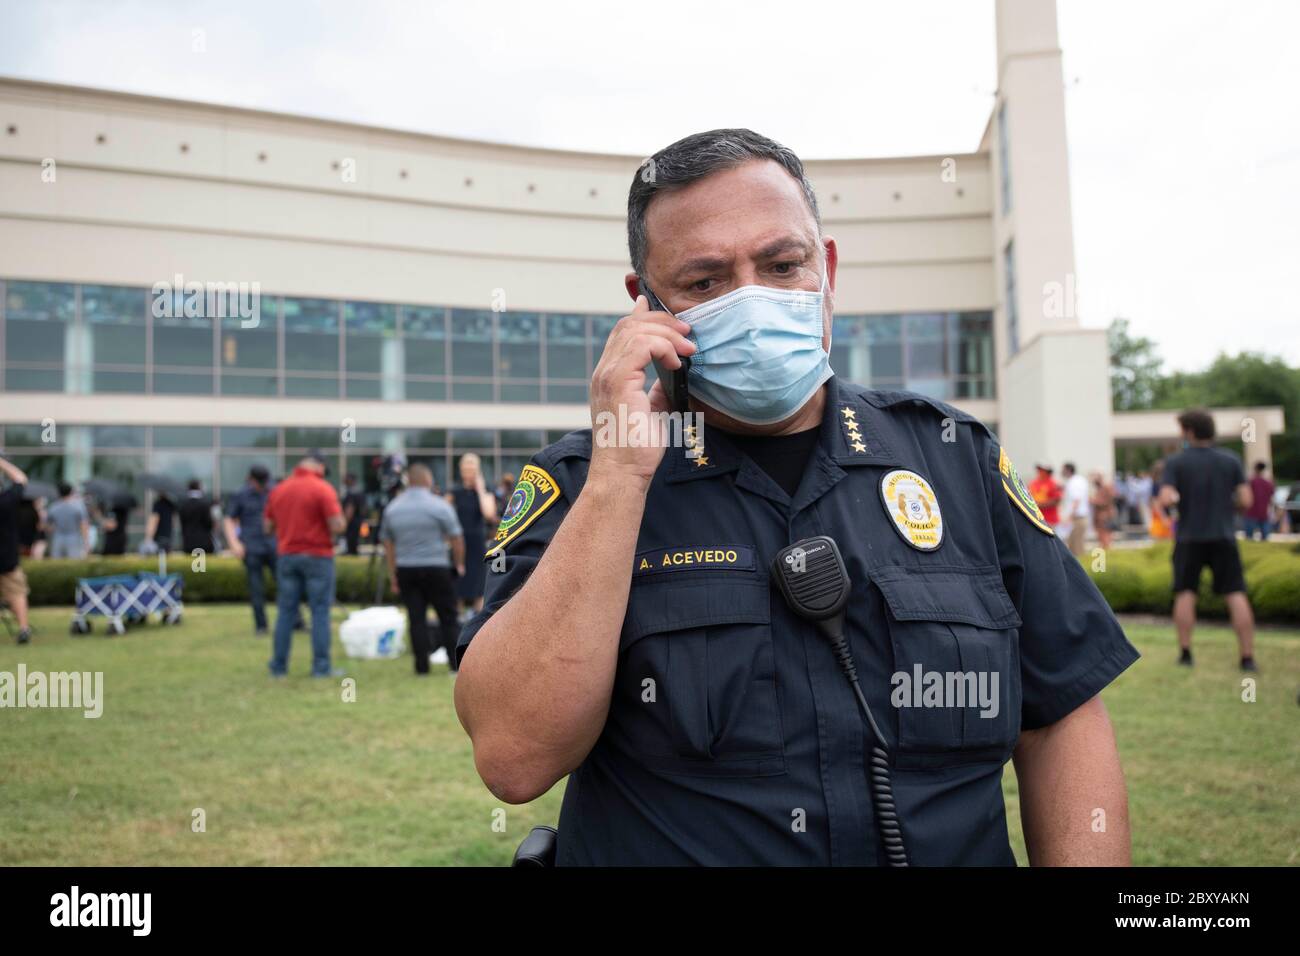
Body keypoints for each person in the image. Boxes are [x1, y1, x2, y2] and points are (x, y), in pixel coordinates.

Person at [453, 129, 1139, 866]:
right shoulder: (582, 482)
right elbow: (515, 755)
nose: (754, 300)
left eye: (783, 265)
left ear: (827, 268)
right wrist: (619, 479)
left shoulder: (954, 458)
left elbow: (1059, 715)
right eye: (705, 282)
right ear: (643, 304)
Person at [1158, 410, 1257, 671]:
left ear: (1189, 431)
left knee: (1185, 592)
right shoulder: (1231, 460)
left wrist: (1176, 501)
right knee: (1235, 593)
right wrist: (1227, 508)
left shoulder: (1176, 462)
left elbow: (1166, 498)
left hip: (1189, 537)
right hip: (1224, 535)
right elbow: (1246, 500)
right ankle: (1247, 658)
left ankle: (1186, 653)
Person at [264, 452, 345, 678]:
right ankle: (321, 667)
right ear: (319, 466)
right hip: (318, 556)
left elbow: (268, 527)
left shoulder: (279, 489)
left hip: (287, 556)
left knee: (286, 612)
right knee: (319, 611)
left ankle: (278, 667)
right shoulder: (322, 488)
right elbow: (337, 524)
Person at [381, 464, 466, 675]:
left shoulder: (393, 508)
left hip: (407, 568)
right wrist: (459, 563)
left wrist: (393, 574)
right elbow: (456, 538)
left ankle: (421, 667)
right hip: (437, 567)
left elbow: (388, 545)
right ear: (428, 481)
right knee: (448, 617)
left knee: (416, 618)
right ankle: (454, 665)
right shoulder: (439, 506)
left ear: (409, 481)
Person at [224, 465, 281, 635]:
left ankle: (296, 621)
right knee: (256, 589)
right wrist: (234, 543)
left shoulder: (274, 491)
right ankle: (261, 626)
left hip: (273, 545)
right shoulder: (240, 495)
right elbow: (229, 519)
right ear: (251, 480)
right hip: (251, 547)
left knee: (286, 586)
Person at [449, 453, 496, 614]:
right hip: (459, 542)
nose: (469, 471)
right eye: (466, 467)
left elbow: (489, 513)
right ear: (461, 470)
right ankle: (458, 619)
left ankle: (478, 620)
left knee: (479, 584)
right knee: (458, 583)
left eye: (472, 467)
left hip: (477, 542)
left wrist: (480, 489)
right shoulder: (454, 491)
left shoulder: (486, 490)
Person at [0, 456, 33, 644]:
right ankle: (23, 628)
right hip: (7, 556)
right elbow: (20, 478)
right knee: (17, 592)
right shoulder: (7, 500)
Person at [46, 483, 90, 559]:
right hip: (74, 538)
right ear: (71, 492)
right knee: (73, 564)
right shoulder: (78, 506)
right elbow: (83, 524)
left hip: (58, 538)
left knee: (56, 564)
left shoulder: (54, 507)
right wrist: (86, 542)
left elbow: (48, 526)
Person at [1057, 462, 1091, 556]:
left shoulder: (1074, 482)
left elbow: (1076, 500)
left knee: (1076, 548)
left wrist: (1069, 517)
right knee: (1075, 546)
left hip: (1077, 518)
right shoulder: (1078, 480)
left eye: (1063, 469)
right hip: (1079, 517)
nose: (1061, 472)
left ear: (1068, 470)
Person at [179, 479, 214, 555]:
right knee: (204, 566)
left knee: (190, 566)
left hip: (188, 542)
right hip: (204, 542)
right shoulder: (205, 503)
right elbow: (209, 523)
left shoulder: (183, 504)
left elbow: (182, 523)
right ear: (199, 487)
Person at [1244, 462, 1275, 541]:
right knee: (1265, 539)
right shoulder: (1268, 483)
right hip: (1264, 512)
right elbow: (1271, 499)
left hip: (1251, 512)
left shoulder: (1250, 482)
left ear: (1255, 469)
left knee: (1249, 538)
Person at [1028, 464, 1062, 529]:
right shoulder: (1033, 482)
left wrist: (1038, 505)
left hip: (1050, 520)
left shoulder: (1053, 483)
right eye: (1039, 469)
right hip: (1036, 518)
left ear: (1047, 472)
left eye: (1042, 470)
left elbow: (1057, 500)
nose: (1039, 471)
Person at [341, 474, 366, 556]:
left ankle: (351, 553)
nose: (344, 481)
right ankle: (353, 553)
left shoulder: (351, 493)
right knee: (355, 540)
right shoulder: (360, 491)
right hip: (358, 520)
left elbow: (350, 508)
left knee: (351, 540)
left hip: (352, 521)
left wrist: (346, 521)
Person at [1090, 472, 1116, 550]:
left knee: (1105, 536)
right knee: (1101, 536)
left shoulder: (1107, 487)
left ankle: (1107, 551)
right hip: (1099, 516)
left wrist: (1093, 501)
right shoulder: (1099, 488)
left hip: (1105, 516)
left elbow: (1108, 500)